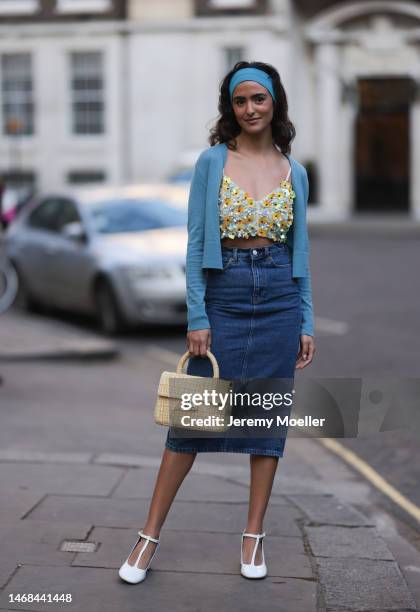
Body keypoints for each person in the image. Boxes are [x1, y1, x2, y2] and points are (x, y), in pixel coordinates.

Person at [118, 61, 315, 584]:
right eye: (240, 101)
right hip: (224, 292)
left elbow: (301, 252)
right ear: (230, 108)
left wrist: (306, 320)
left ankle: (253, 536)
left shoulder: (294, 170)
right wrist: (198, 313)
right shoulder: (211, 162)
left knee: (266, 424)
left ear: (275, 103)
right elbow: (195, 244)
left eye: (259, 99)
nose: (250, 109)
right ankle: (148, 536)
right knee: (191, 422)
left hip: (278, 296)